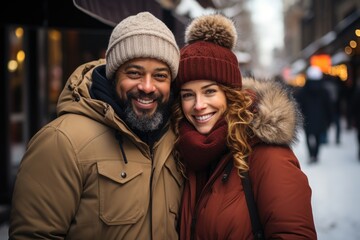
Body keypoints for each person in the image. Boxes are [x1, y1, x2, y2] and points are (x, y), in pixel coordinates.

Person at [9, 12, 184, 239]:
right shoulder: (62, 140)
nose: (147, 86)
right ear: (113, 75)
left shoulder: (175, 138)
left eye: (160, 76)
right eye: (134, 73)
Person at [171, 14, 317, 239]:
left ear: (230, 95)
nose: (199, 105)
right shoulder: (183, 150)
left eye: (210, 91)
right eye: (188, 95)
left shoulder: (266, 154)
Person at [296, 66, 332, 163]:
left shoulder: (303, 91)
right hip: (321, 119)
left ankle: (311, 154)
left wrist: (300, 117)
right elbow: (328, 105)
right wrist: (329, 119)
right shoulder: (324, 91)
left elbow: (298, 104)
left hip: (307, 118)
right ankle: (315, 155)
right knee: (318, 137)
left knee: (308, 137)